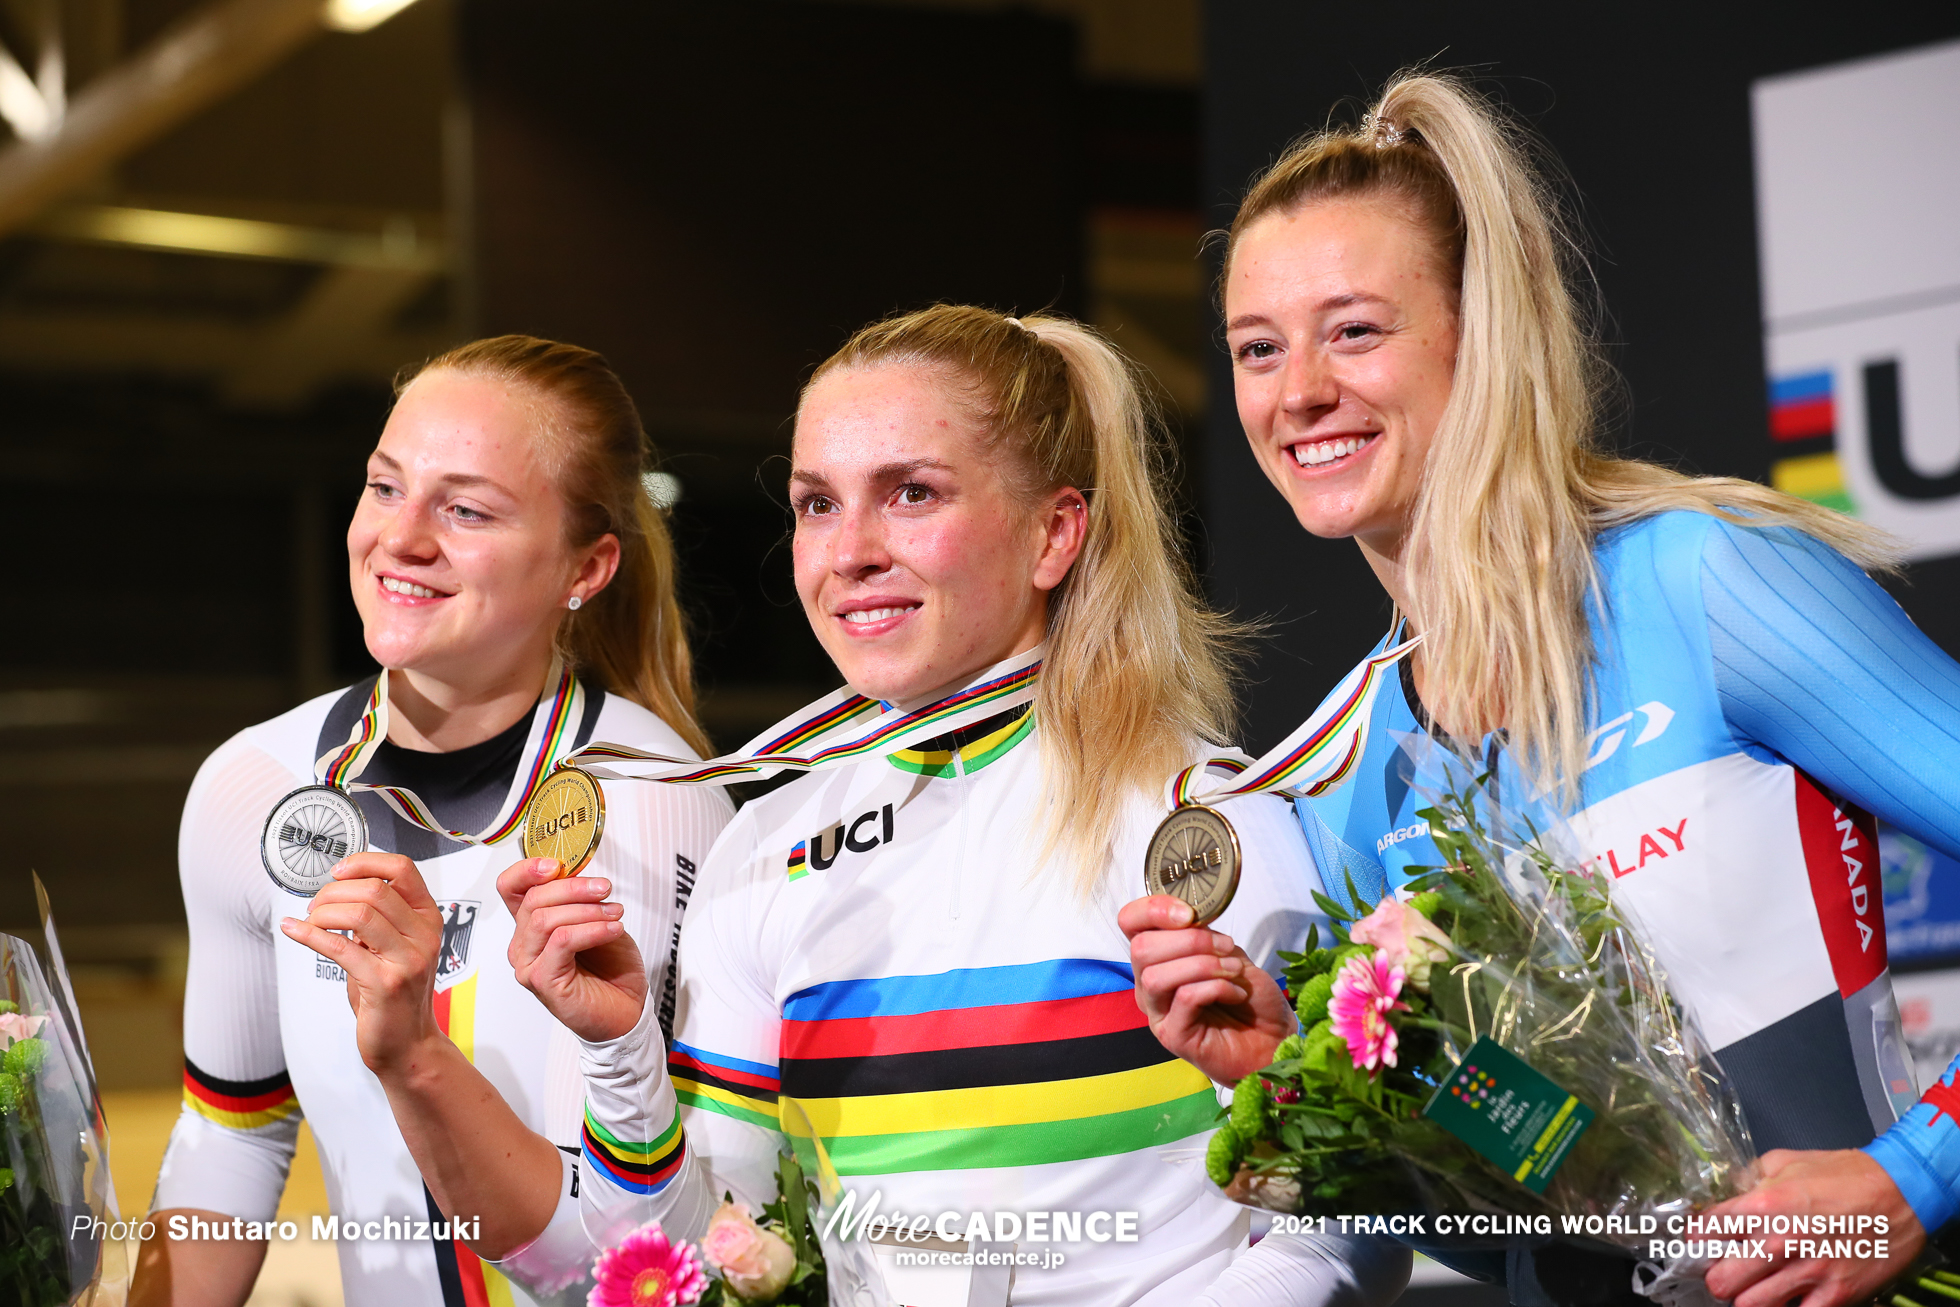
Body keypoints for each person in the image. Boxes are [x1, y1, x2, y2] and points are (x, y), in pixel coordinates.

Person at [1123, 71, 1960, 1307]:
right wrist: (1291, 1075)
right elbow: (1519, 1211)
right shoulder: (1348, 767)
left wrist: (1916, 1174)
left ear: (1483, 328)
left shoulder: (1701, 580)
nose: (1295, 390)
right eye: (1257, 347)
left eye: (1352, 329)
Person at [498, 304, 1412, 1306]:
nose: (849, 552)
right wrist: (621, 1049)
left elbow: (1342, 1224)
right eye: (817, 504)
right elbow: (704, 1252)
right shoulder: (765, 845)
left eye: (911, 493)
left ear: (1054, 532)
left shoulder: (1198, 813)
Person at [137, 336, 732, 1307]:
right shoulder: (252, 785)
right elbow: (232, 1133)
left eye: (464, 508)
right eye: (384, 486)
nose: (400, 535)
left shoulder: (658, 800)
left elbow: (647, 1253)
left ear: (586, 566)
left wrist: (417, 1057)